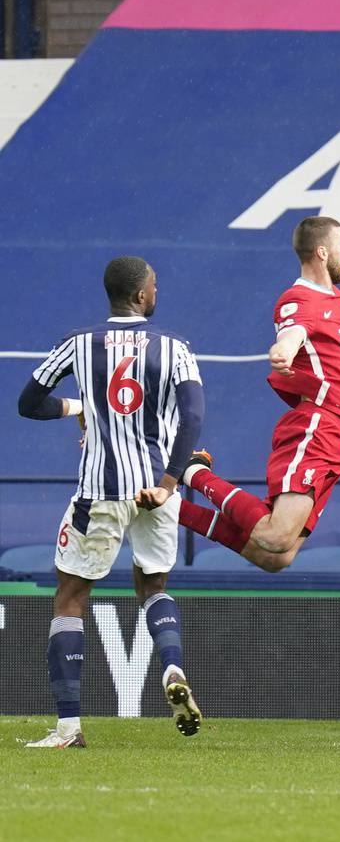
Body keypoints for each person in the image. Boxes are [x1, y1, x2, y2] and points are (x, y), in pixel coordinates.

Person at [18, 256, 203, 746]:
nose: (157, 292)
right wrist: (166, 483)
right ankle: (172, 668)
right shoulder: (175, 348)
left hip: (100, 490)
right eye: (155, 286)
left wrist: (76, 406)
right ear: (141, 296)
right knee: (153, 585)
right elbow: (192, 419)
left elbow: (28, 402)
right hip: (156, 490)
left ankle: (69, 728)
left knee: (72, 595)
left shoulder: (79, 343)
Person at [147, 217, 340, 572]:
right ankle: (192, 472)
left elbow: (334, 366)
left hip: (333, 428)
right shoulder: (299, 299)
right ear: (322, 252)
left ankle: (170, 506)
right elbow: (292, 332)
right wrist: (283, 349)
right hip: (315, 429)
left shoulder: (335, 298)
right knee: (275, 537)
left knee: (276, 557)